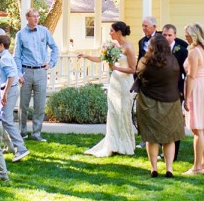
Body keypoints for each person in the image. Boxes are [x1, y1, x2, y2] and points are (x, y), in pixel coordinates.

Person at [79, 21, 137, 157]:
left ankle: (125, 143)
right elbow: (100, 58)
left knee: (123, 112)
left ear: (118, 32)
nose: (110, 33)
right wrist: (86, 56)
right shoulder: (113, 46)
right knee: (113, 112)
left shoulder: (128, 47)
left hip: (125, 83)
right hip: (115, 82)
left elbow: (133, 69)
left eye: (111, 30)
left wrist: (116, 67)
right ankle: (113, 143)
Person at [135, 34, 185, 177]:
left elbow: (138, 75)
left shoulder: (145, 61)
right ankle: (169, 168)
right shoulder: (173, 61)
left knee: (151, 138)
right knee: (169, 138)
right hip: (171, 102)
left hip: (149, 102)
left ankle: (154, 168)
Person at [14, 8, 59, 142]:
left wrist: (51, 63)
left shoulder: (44, 31)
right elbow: (16, 56)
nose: (36, 18)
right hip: (26, 72)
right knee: (23, 105)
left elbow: (54, 48)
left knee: (40, 104)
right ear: (27, 18)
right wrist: (18, 73)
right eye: (33, 16)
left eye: (37, 16)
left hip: (41, 71)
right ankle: (22, 132)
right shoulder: (20, 34)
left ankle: (36, 133)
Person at [182, 23, 204, 175]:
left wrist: (187, 97)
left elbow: (191, 76)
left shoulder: (194, 53)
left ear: (194, 35)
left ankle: (196, 167)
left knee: (198, 129)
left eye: (187, 35)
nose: (186, 38)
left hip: (198, 88)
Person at [0, 34, 29, 162]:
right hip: (9, 89)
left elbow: (11, 76)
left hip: (10, 90)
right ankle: (10, 146)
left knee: (6, 120)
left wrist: (5, 93)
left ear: (2, 45)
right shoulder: (5, 56)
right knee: (4, 119)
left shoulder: (5, 59)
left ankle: (21, 148)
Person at [163, 23, 188, 163]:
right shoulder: (157, 49)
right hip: (160, 91)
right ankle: (163, 150)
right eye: (165, 35)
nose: (167, 38)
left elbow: (186, 73)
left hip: (176, 91)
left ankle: (174, 154)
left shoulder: (182, 51)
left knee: (174, 122)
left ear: (175, 36)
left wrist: (183, 92)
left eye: (170, 35)